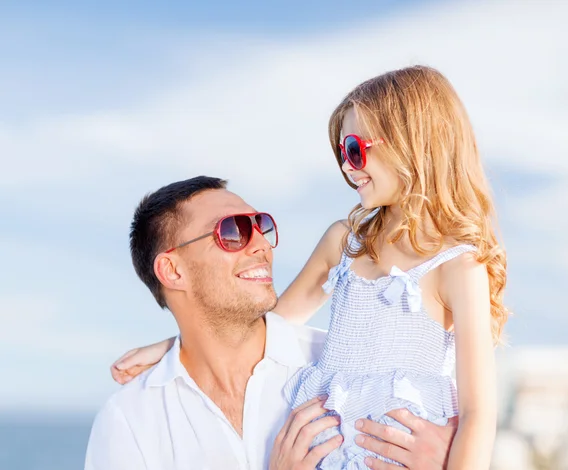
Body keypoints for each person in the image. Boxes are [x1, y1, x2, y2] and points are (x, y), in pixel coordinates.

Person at [113, 65, 508, 469]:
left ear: (412, 143)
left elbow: (479, 413)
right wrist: (176, 347)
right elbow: (266, 328)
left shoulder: (458, 266)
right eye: (341, 154)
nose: (347, 167)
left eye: (355, 149)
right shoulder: (345, 242)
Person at [85, 175, 457, 470]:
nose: (261, 244)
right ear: (172, 270)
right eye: (232, 232)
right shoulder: (130, 420)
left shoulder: (347, 370)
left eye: (259, 225)